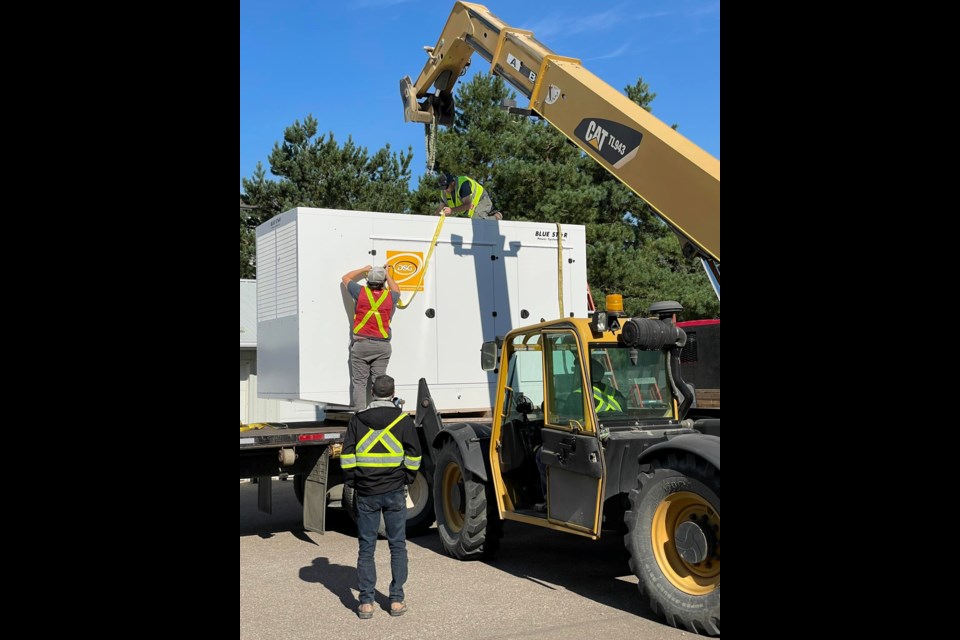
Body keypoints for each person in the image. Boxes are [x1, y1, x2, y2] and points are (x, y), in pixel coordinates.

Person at [340, 375, 422, 619]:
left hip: (366, 492)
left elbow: (347, 456)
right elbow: (415, 455)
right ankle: (396, 600)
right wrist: (406, 478)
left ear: (372, 393)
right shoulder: (403, 420)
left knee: (366, 547)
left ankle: (366, 603)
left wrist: (355, 481)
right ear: (392, 393)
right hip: (395, 491)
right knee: (397, 545)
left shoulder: (357, 420)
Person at [342, 264, 401, 410]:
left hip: (361, 345)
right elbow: (397, 290)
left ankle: (360, 415)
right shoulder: (390, 297)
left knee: (360, 383)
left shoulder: (360, 292)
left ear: (368, 280)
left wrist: (363, 269)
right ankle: (379, 413)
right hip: (382, 347)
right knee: (379, 383)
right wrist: (386, 274)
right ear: (383, 282)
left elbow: (345, 277)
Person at [436, 173, 503, 220]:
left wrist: (451, 210)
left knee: (476, 220)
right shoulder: (444, 193)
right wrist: (433, 219)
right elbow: (440, 209)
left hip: (482, 199)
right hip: (469, 208)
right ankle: (485, 215)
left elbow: (468, 205)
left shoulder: (462, 185)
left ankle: (496, 217)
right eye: (442, 188)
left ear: (452, 183)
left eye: (446, 187)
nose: (444, 190)